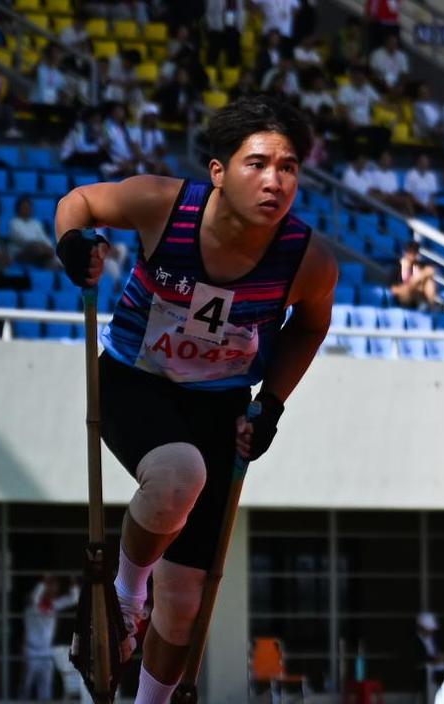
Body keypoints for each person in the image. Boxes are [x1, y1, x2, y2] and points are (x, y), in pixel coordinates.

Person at [53, 95, 337, 704]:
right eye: (257, 164)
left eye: (288, 167)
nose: (274, 181)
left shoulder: (306, 260)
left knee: (183, 606)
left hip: (220, 405)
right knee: (178, 475)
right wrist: (74, 245)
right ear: (218, 170)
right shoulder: (164, 205)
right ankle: (125, 598)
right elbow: (78, 202)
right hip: (134, 382)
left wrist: (274, 404)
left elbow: (311, 326)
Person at [21, 575, 80, 702]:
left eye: (56, 587)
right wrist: (44, 582)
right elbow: (35, 599)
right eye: (52, 587)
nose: (55, 590)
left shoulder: (52, 605)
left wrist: (73, 585)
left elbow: (73, 599)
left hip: (47, 651)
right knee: (27, 686)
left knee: (46, 686)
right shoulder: (33, 605)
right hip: (32, 651)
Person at [391, 241, 438, 309]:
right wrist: (412, 283)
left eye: (415, 252)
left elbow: (431, 270)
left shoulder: (420, 265)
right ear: (405, 253)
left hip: (418, 294)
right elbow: (393, 290)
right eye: (410, 252)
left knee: (429, 282)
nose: (413, 255)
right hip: (403, 296)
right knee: (410, 287)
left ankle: (432, 308)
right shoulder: (397, 267)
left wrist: (419, 277)